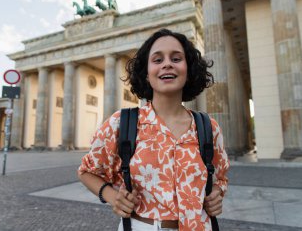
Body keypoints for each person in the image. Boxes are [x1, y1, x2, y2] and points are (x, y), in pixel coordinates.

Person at [78, 28, 229, 231]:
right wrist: (113, 197)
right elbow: (87, 171)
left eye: (176, 58)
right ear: (147, 74)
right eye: (157, 60)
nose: (167, 64)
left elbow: (219, 177)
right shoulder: (121, 124)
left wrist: (217, 194)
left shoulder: (208, 127)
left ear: (189, 69)